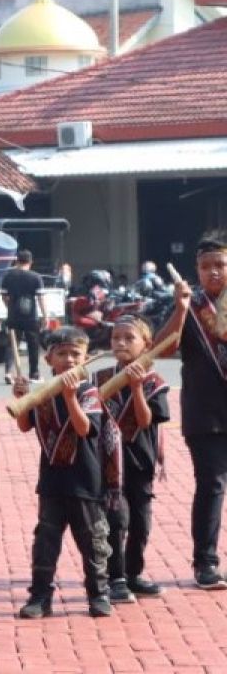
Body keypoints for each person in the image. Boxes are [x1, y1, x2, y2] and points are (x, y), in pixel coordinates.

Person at [13, 327, 117, 619]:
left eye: (76, 354)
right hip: (51, 483)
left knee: (93, 542)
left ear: (86, 358)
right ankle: (40, 597)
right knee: (46, 541)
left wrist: (70, 397)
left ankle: (98, 595)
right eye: (62, 353)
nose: (69, 359)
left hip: (85, 482)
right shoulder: (43, 394)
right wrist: (22, 398)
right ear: (49, 359)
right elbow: (24, 425)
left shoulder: (89, 392)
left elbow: (84, 428)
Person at [155, 230, 227, 590]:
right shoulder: (189, 306)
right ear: (196, 271)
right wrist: (180, 310)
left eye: (220, 265)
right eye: (206, 267)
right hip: (205, 415)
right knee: (211, 485)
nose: (214, 272)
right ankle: (205, 563)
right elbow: (160, 350)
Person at [95, 315, 170, 601]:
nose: (121, 343)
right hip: (108, 465)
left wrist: (137, 388)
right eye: (116, 338)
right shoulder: (100, 378)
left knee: (141, 522)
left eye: (129, 338)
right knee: (116, 520)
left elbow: (145, 419)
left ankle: (133, 573)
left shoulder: (154, 383)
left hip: (139, 462)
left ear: (146, 345)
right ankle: (114, 577)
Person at [1, 249, 46, 384]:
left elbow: (4, 297)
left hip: (13, 315)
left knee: (12, 344)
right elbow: (40, 298)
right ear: (31, 262)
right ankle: (34, 374)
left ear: (16, 260)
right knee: (33, 345)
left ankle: (9, 373)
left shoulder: (8, 276)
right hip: (31, 316)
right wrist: (45, 315)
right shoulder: (35, 277)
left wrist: (9, 307)